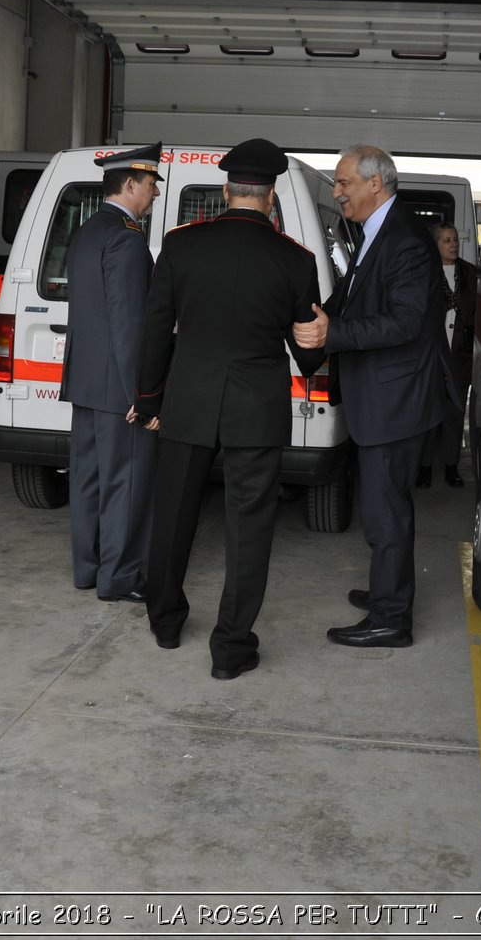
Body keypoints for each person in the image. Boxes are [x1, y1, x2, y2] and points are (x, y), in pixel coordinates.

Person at [132, 138, 323, 680]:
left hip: (188, 399)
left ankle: (165, 623)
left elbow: (155, 329)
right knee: (249, 529)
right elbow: (308, 353)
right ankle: (231, 649)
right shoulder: (295, 259)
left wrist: (148, 398)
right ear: (272, 195)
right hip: (255, 409)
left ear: (226, 190)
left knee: (172, 516)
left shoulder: (182, 246)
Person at [293, 144, 456, 648]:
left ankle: (391, 617)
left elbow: (405, 322)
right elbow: (353, 295)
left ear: (375, 185)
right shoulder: (377, 231)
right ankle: (388, 591)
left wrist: (333, 334)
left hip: (396, 399)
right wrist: (317, 316)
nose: (337, 192)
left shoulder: (403, 239)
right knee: (381, 505)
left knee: (386, 510)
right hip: (385, 396)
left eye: (344, 183)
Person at [59, 141, 163, 603]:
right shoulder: (127, 238)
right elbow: (129, 327)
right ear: (130, 184)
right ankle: (118, 576)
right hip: (118, 386)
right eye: (152, 184)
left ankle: (88, 568)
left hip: (85, 382)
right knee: (125, 481)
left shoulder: (87, 231)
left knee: (87, 479)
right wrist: (141, 396)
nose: (156, 193)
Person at [417, 222, 476, 489]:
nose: (453, 244)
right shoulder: (425, 271)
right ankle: (425, 467)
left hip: (459, 356)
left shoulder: (470, 274)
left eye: (455, 240)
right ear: (436, 244)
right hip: (431, 356)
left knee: (454, 413)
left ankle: (451, 467)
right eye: (447, 241)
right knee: (428, 414)